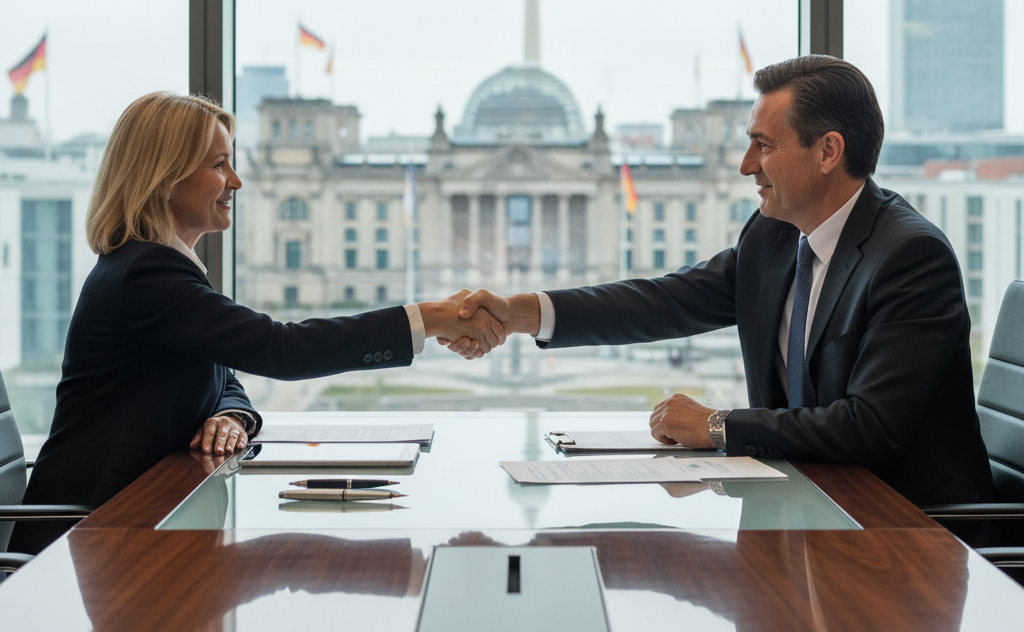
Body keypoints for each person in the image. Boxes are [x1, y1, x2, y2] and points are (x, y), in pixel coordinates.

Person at [453, 56, 995, 507]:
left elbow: (869, 428)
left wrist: (717, 425)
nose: (744, 165)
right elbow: (667, 301)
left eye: (764, 145)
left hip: (906, 530)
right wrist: (521, 312)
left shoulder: (910, 257)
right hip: (801, 506)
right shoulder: (775, 234)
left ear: (829, 151)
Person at [11, 92, 505, 554]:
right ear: (165, 176)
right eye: (219, 164)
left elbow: (226, 376)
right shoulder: (146, 274)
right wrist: (430, 318)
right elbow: (280, 349)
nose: (236, 182)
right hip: (88, 539)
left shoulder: (159, 267)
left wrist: (232, 417)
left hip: (141, 518)